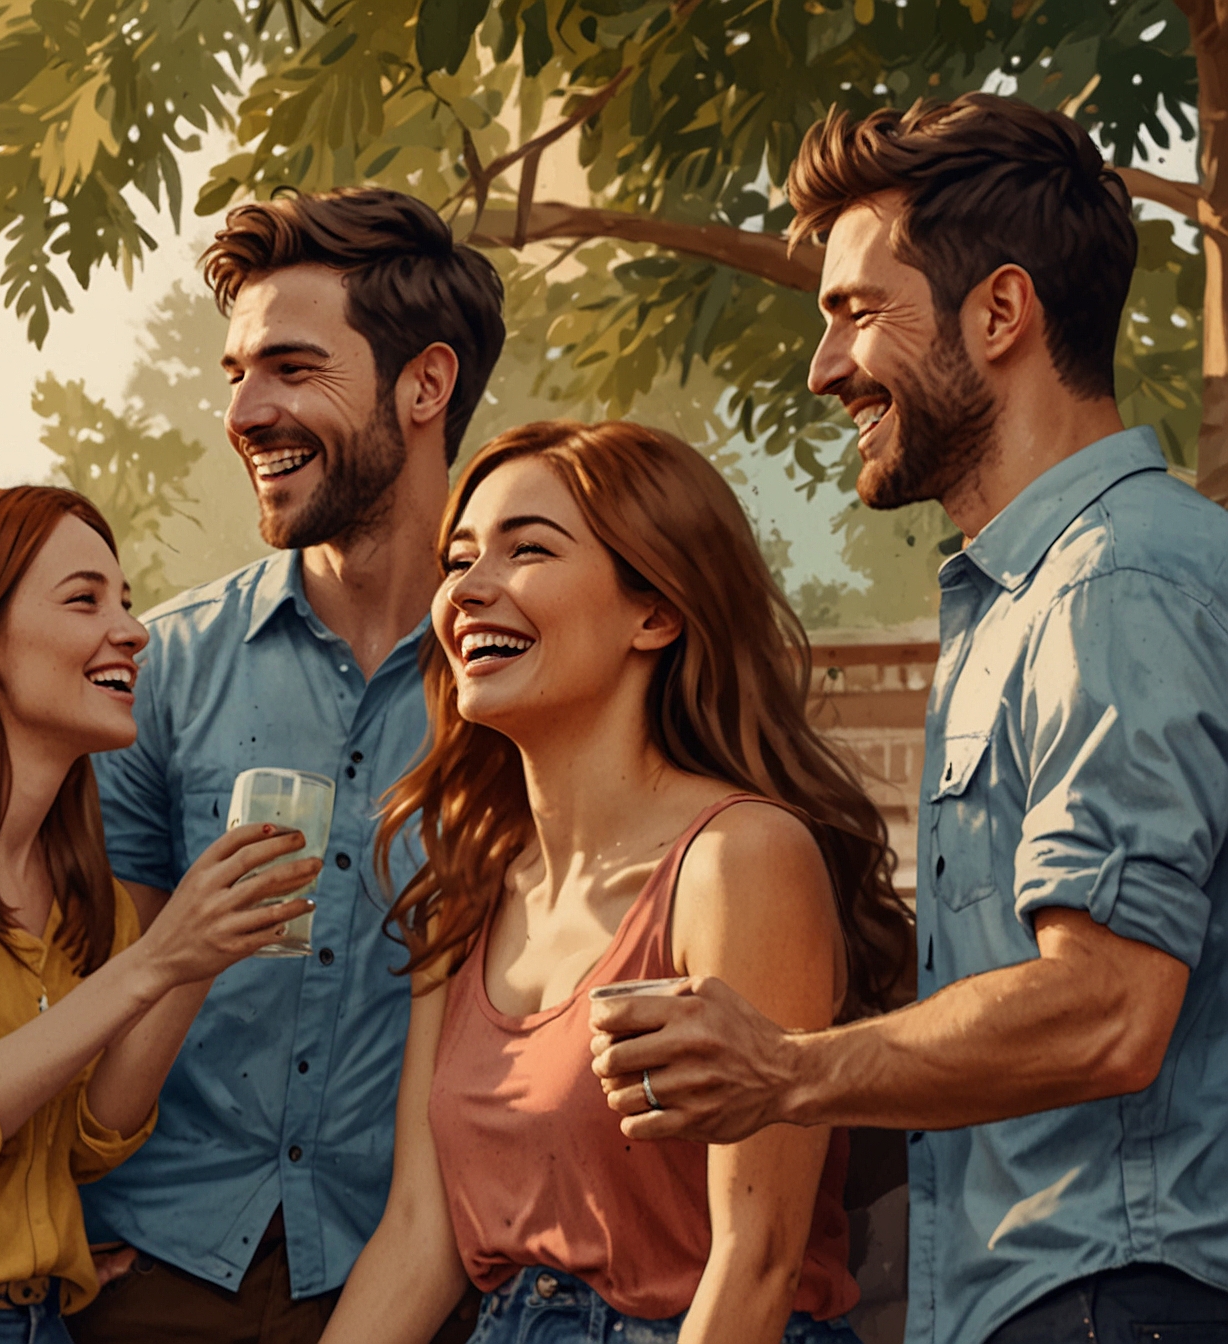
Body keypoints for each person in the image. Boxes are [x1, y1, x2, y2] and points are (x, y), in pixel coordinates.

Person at [589, 92, 1228, 1344]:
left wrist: (785, 1067)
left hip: (1117, 1297)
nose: (825, 367)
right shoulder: (1024, 595)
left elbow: (1105, 1006)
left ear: (1000, 312)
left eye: (855, 312)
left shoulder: (1115, 582)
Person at [316, 420, 912, 1344]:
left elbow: (754, 1264)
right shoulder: (465, 886)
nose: (469, 590)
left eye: (528, 551)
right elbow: (419, 1235)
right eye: (461, 557)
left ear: (656, 612)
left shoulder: (738, 860)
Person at [68, 188, 506, 1344]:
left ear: (425, 385)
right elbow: (99, 984)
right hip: (154, 1271)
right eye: (234, 376)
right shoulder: (159, 668)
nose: (246, 413)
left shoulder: (527, 686)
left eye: (291, 369)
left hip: (424, 1279)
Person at [0, 486, 319, 1344]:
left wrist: (198, 958)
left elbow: (89, 1143)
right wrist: (155, 962)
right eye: (85, 600)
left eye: (124, 599)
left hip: (41, 1319)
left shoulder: (87, 887)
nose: (131, 629)